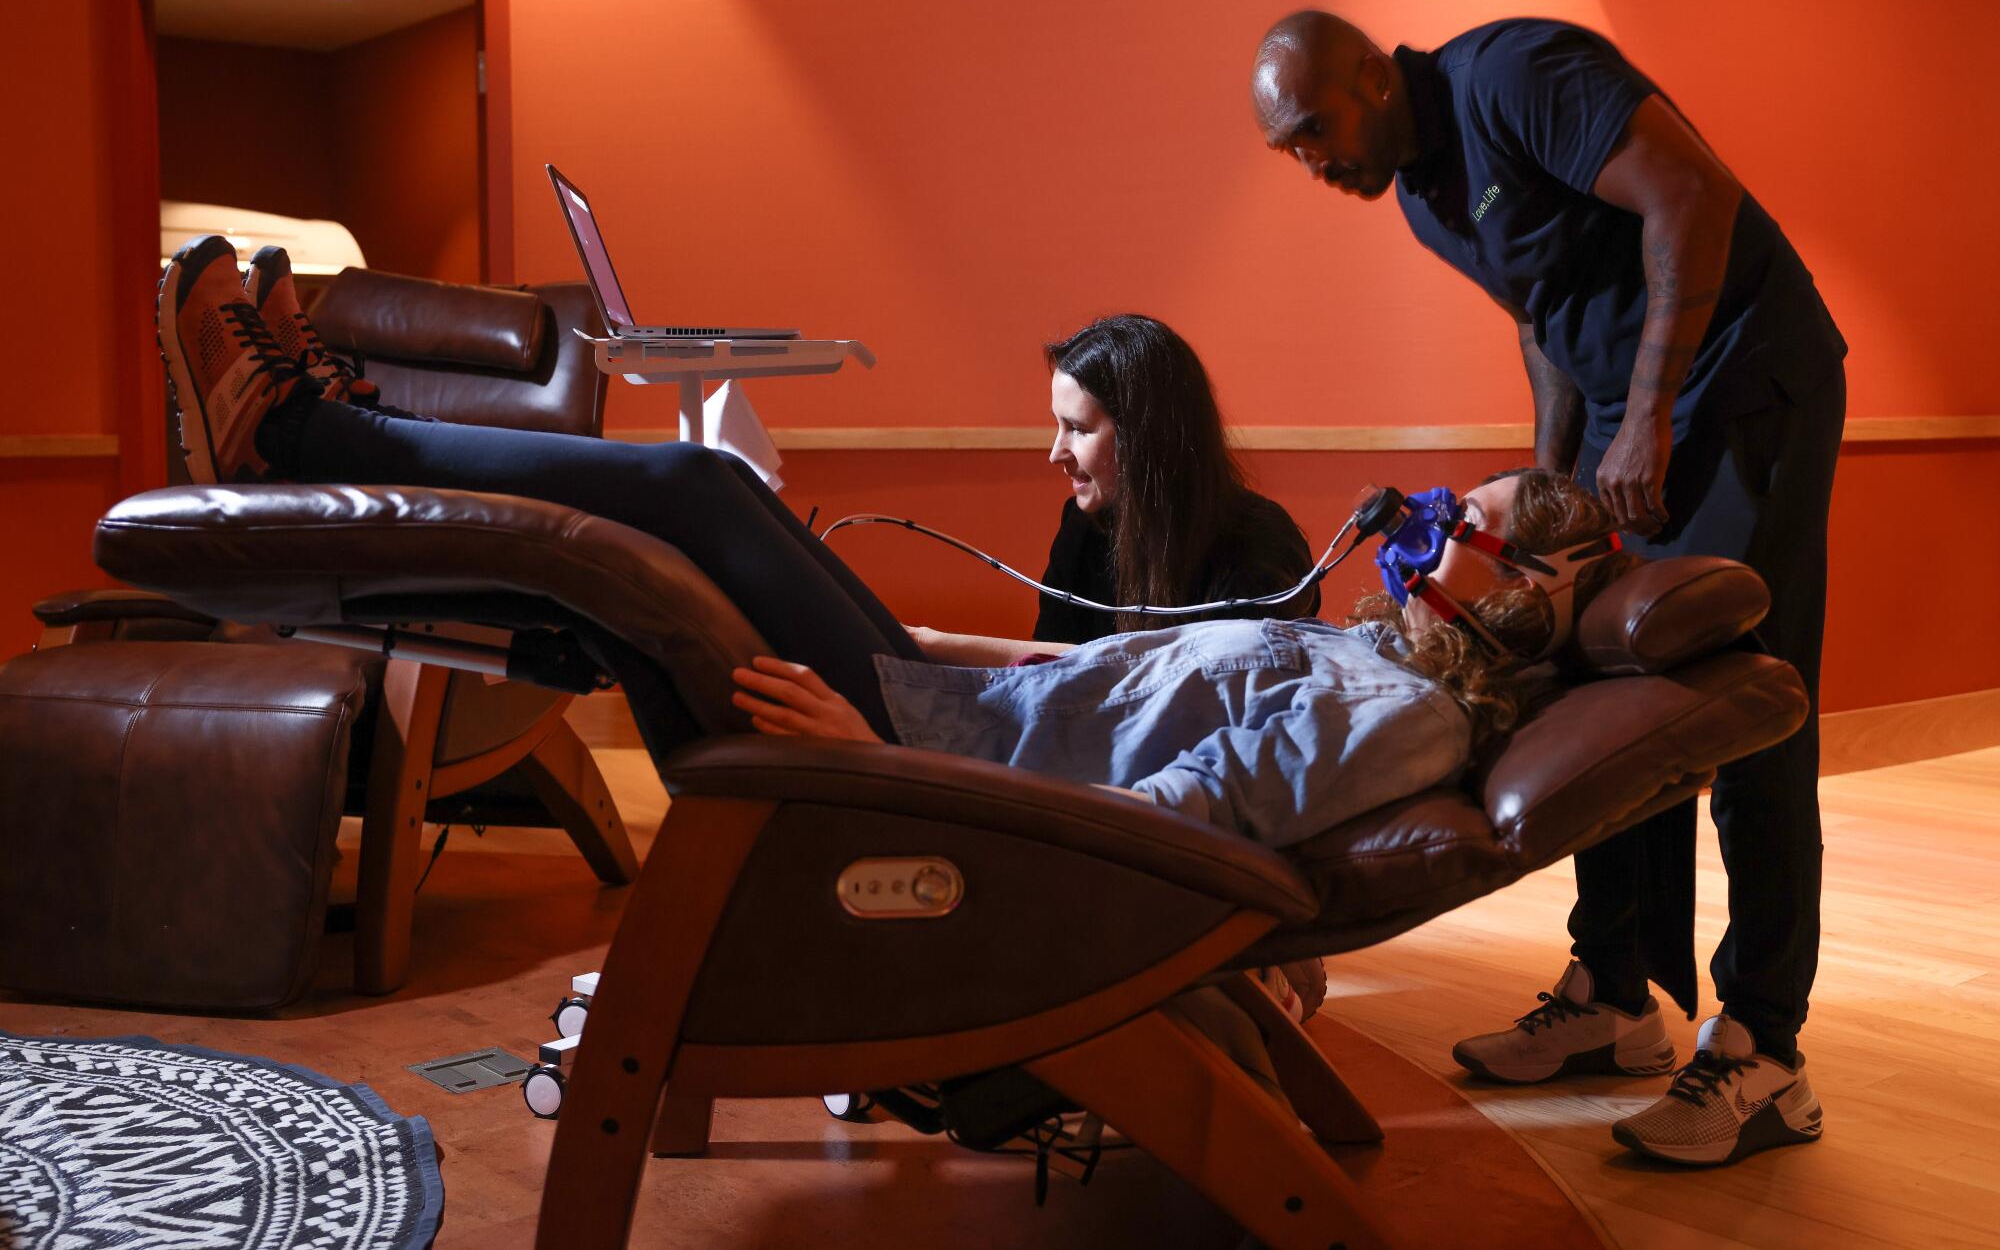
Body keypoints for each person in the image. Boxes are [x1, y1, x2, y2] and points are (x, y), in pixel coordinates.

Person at [158, 233, 1626, 851]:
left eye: (1461, 523)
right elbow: (1094, 696)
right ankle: (322, 431)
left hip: (930, 758)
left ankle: (302, 436)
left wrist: (881, 762)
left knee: (695, 501)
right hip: (943, 705)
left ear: (1516, 596)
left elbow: (1165, 825)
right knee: (646, 573)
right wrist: (921, 653)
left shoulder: (1405, 724)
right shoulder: (1371, 661)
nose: (1420, 524)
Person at [1251, 11, 1845, 1165]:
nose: (1310, 162)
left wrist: (1653, 417)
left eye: (1313, 129)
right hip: (1638, 421)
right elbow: (1545, 321)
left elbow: (1690, 195)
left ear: (1373, 75)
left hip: (1747, 385)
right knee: (1598, 697)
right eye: (1289, 151)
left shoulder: (1514, 74)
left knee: (1749, 699)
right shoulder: (1422, 191)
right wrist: (1555, 481)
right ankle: (1620, 998)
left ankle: (1765, 1050)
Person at [906, 314, 1320, 664]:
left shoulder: (1261, 544)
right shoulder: (1083, 524)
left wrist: (934, 645)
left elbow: (1215, 687)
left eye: (1078, 429)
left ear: (1146, 437)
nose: (1055, 454)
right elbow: (1048, 677)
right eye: (1058, 425)